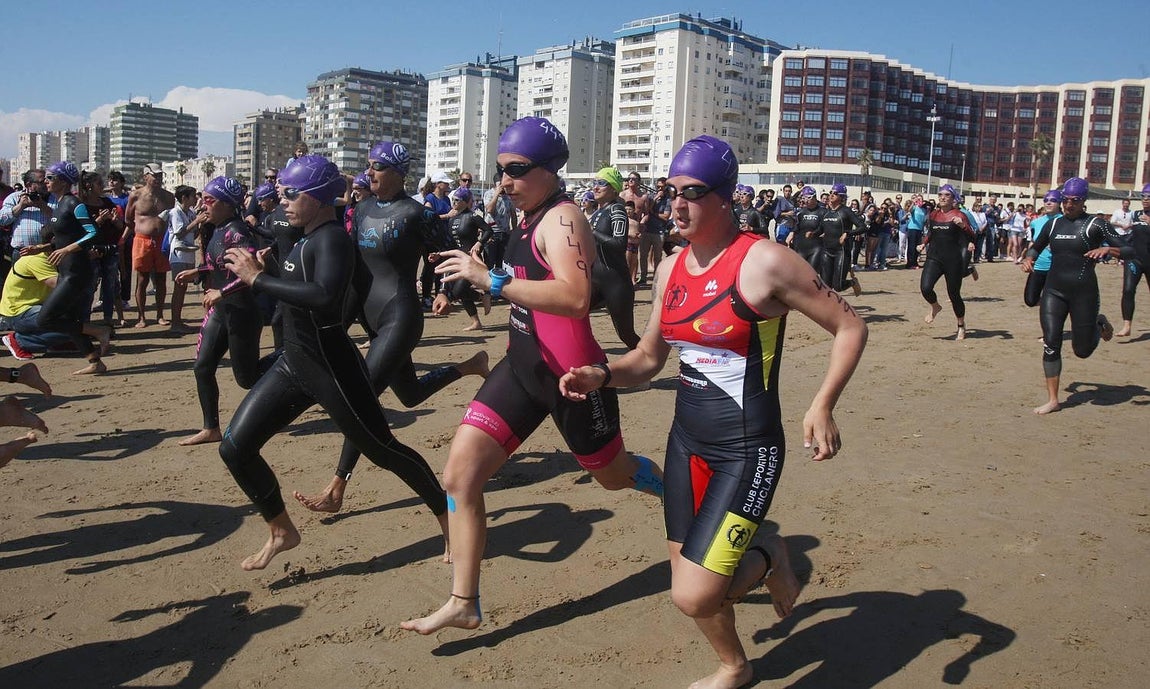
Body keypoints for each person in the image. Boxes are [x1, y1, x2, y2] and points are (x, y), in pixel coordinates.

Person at [559, 135, 867, 689]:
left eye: (692, 193)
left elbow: (850, 326)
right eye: (670, 191)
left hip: (747, 450)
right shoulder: (670, 268)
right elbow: (648, 358)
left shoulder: (765, 262)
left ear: (725, 196)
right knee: (690, 581)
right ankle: (735, 665)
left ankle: (769, 553)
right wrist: (602, 374)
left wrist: (823, 404)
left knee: (694, 594)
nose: (676, 204)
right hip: (687, 443)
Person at [400, 117, 663, 636]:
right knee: (459, 477)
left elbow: (575, 298)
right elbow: (524, 283)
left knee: (615, 477)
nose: (506, 181)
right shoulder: (525, 216)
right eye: (502, 169)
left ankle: (675, 491)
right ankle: (464, 601)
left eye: (517, 170)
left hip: (573, 378)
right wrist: (476, 276)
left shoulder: (562, 220)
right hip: (522, 366)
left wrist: (491, 280)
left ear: (549, 170)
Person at [217, 154, 451, 570]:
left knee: (384, 450)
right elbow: (299, 285)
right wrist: (264, 270)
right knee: (235, 448)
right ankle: (281, 530)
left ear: (319, 197)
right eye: (281, 193)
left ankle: (450, 517)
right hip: (293, 362)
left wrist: (259, 279)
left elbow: (325, 296)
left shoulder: (332, 240)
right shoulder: (302, 237)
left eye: (292, 193)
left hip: (332, 367)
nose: (283, 200)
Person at [294, 142, 487, 515]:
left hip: (400, 316)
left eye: (377, 166)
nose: (369, 172)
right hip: (369, 314)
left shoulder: (417, 213)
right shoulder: (362, 209)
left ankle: (337, 485)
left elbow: (450, 254)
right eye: (368, 165)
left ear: (399, 173)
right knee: (410, 395)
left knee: (361, 395)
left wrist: (445, 291)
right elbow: (353, 267)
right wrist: (339, 319)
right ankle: (470, 366)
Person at [175, 177, 264, 446]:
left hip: (241, 312)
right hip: (219, 311)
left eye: (209, 200)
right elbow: (220, 265)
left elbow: (249, 274)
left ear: (226, 203)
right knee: (202, 367)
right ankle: (211, 428)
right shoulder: (217, 229)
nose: (203, 205)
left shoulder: (237, 232)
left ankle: (294, 366)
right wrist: (198, 271)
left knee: (247, 378)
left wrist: (220, 292)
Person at [1020, 177, 1121, 414]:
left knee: (1082, 351)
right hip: (1054, 290)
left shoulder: (1096, 224)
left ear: (1083, 200)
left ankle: (1098, 323)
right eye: (1065, 200)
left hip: (1084, 292)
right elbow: (1037, 245)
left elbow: (1129, 248)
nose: (1068, 204)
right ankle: (1053, 400)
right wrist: (1029, 258)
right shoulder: (1054, 224)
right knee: (1051, 342)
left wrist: (1108, 249)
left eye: (1074, 200)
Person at [24, 163, 108, 375]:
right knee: (69, 320)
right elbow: (66, 236)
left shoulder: (74, 203)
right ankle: (95, 361)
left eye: (50, 177)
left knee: (46, 319)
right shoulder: (59, 203)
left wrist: (67, 250)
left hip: (77, 272)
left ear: (63, 181)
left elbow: (93, 233)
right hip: (66, 271)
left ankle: (99, 331)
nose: (46, 181)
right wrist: (43, 247)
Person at [588, 167, 641, 348]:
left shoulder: (616, 210)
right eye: (594, 183)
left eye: (601, 183)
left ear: (613, 188)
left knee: (626, 335)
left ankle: (648, 359)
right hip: (596, 281)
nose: (595, 187)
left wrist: (592, 232)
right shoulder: (597, 212)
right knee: (573, 315)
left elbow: (619, 244)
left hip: (616, 283)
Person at [919, 184, 976, 340]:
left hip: (953, 260)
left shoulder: (959, 215)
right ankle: (935, 306)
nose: (942, 197)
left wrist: (963, 226)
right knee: (925, 288)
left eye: (947, 195)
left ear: (953, 199)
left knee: (954, 294)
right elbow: (931, 233)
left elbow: (973, 235)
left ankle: (961, 325)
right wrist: (923, 243)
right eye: (940, 195)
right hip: (934, 258)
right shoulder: (934, 215)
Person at [125, 163, 174, 327]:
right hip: (142, 240)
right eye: (155, 175)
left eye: (160, 175)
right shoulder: (136, 195)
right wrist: (141, 229)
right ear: (146, 176)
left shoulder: (168, 196)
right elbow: (128, 219)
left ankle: (160, 315)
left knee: (161, 279)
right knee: (142, 279)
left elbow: (171, 218)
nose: (158, 178)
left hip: (162, 240)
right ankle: (141, 317)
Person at [440, 186, 493, 331]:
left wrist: (479, 243)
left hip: (471, 260)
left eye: (457, 200)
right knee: (459, 292)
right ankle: (476, 321)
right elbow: (451, 242)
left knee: (458, 291)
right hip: (459, 259)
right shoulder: (452, 219)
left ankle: (483, 296)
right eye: (453, 199)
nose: (454, 202)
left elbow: (488, 230)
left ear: (465, 202)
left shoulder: (473, 216)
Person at [817, 183, 866, 296]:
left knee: (838, 286)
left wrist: (847, 233)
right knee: (825, 286)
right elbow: (820, 229)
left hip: (841, 251)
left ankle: (852, 282)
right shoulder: (826, 212)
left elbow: (862, 227)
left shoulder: (846, 211)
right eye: (831, 192)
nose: (831, 195)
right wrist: (813, 233)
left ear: (841, 197)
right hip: (827, 251)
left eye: (835, 193)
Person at [1114, 184, 1150, 336]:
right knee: (1128, 290)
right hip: (1135, 259)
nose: (1145, 199)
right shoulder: (1135, 214)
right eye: (1143, 196)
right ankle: (1127, 325)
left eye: (1149, 197)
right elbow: (1131, 234)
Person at [166, 185, 202, 332]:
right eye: (193, 196)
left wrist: (199, 224)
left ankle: (178, 321)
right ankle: (175, 323)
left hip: (188, 253)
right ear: (184, 198)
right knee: (179, 287)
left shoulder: (190, 212)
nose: (195, 199)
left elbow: (193, 234)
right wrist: (196, 222)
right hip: (178, 254)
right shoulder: (175, 212)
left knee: (183, 287)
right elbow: (179, 233)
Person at [1023, 190, 1062, 308]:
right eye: (1046, 200)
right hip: (1038, 266)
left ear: (1060, 203)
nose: (1048, 203)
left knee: (1055, 301)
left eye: (1053, 200)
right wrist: (1028, 258)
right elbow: (1033, 242)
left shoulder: (1065, 221)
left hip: (1056, 268)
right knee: (1030, 300)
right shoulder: (1036, 222)